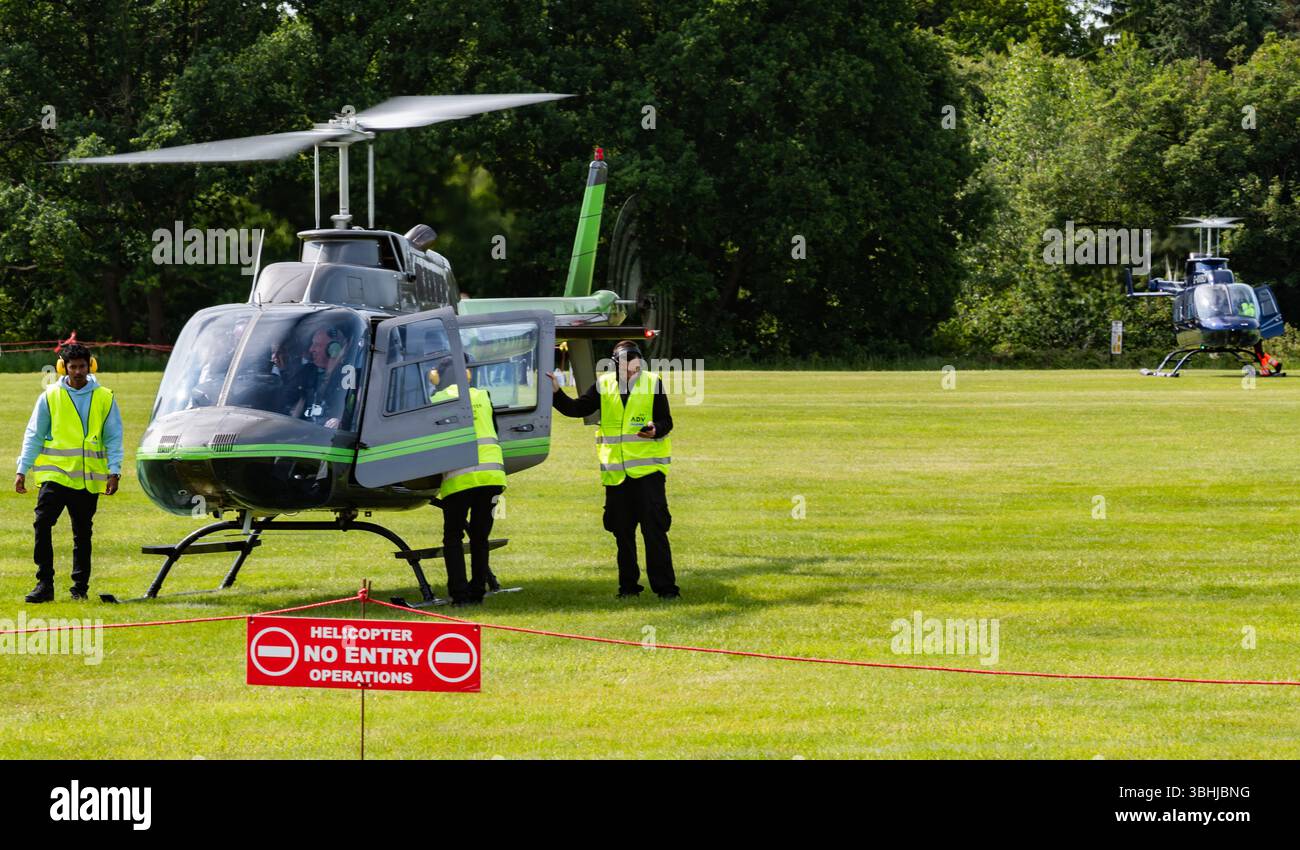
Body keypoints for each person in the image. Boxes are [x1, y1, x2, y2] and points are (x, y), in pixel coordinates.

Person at [547, 340, 679, 599]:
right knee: (622, 534)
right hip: (616, 475)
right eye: (629, 366)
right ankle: (628, 588)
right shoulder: (603, 384)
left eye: (637, 366)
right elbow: (577, 409)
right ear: (617, 363)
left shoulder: (652, 382)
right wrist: (556, 393)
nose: (633, 371)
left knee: (655, 532)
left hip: (648, 473)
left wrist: (655, 430)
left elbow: (666, 421)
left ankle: (666, 590)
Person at [14, 343, 123, 602]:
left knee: (82, 534)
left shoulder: (104, 397)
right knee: (42, 525)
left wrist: (114, 471)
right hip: (55, 476)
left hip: (86, 480)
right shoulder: (50, 396)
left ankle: (80, 589)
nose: (77, 371)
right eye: (72, 367)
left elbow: (114, 437)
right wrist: (22, 469)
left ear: (90, 366)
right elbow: (34, 434)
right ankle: (44, 584)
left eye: (82, 366)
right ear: (63, 367)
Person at [434, 356, 506, 605]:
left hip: (459, 478)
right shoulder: (483, 396)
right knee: (479, 537)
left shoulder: (437, 400)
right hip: (492, 476)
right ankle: (478, 593)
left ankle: (459, 595)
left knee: (453, 537)